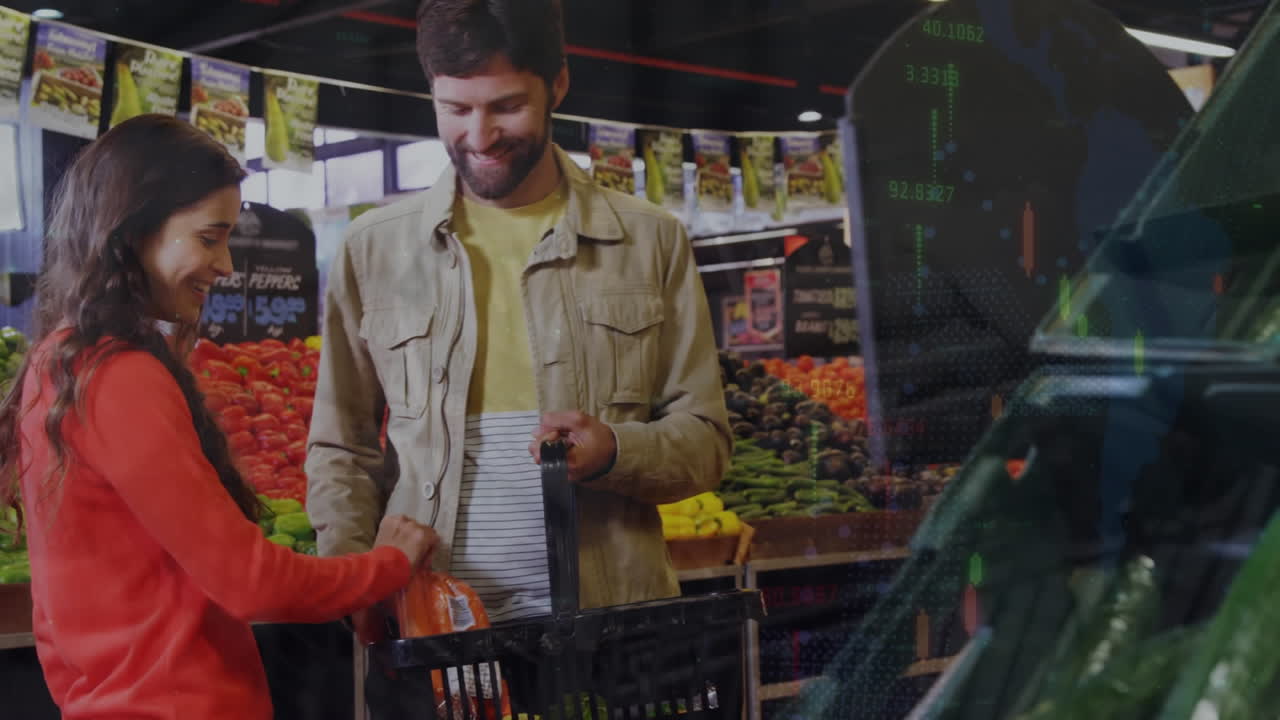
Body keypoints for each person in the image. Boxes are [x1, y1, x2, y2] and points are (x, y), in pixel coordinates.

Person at [306, 0, 731, 638]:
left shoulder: (650, 241)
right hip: (433, 632)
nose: (480, 137)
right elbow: (342, 445)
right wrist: (350, 574)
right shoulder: (374, 249)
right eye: (455, 109)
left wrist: (616, 449)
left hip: (609, 632)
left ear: (557, 83)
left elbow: (706, 441)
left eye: (506, 106)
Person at [0, 114, 438, 720]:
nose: (227, 264)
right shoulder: (120, 377)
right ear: (133, 231)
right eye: (209, 238)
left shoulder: (58, 358)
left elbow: (57, 601)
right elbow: (252, 581)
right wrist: (387, 564)